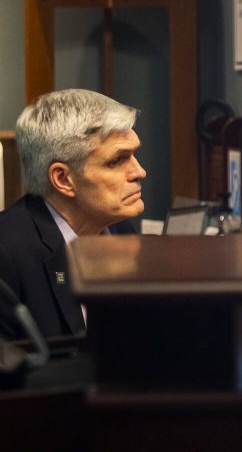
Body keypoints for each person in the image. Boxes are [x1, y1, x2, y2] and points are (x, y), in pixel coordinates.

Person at [0, 89, 145, 340]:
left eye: (134, 155)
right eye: (117, 160)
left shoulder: (121, 230)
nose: (139, 171)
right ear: (63, 179)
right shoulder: (7, 253)